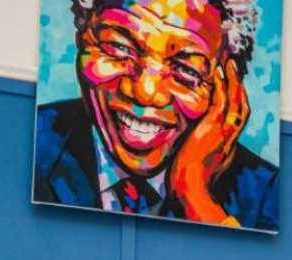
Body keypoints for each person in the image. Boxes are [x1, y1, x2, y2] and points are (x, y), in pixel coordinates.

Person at [34, 0, 279, 232]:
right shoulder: (34, 142)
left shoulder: (267, 194)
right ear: (82, 38)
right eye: (119, 48)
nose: (145, 92)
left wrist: (195, 195)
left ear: (229, 90)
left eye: (186, 69)